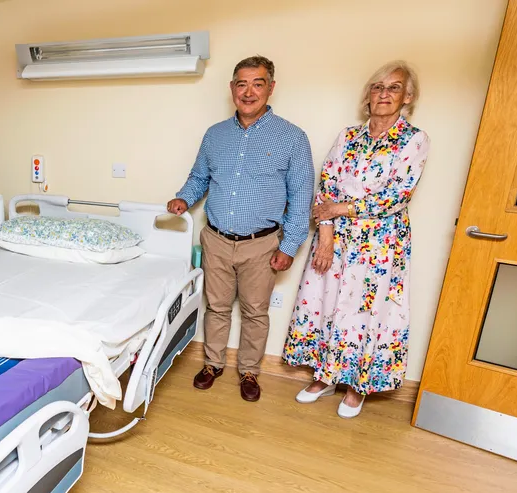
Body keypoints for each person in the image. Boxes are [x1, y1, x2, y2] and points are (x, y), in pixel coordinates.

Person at [284, 62, 430, 418]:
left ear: (407, 97)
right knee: (327, 303)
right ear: (368, 95)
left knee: (366, 312)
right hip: (337, 236)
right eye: (377, 87)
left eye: (393, 88)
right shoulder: (347, 136)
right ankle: (325, 376)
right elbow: (327, 185)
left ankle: (355, 385)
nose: (383, 94)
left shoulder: (415, 139)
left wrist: (339, 208)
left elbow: (396, 196)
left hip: (380, 243)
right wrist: (326, 236)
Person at [168, 55, 314, 402]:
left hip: (261, 245)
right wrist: (183, 200)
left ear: (270, 88)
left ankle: (250, 370)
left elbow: (301, 195)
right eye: (241, 84)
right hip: (215, 238)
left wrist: (289, 246)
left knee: (255, 312)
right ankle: (212, 364)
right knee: (216, 307)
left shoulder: (292, 138)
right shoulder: (215, 135)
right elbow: (199, 178)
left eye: (257, 83)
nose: (248, 92)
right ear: (233, 88)